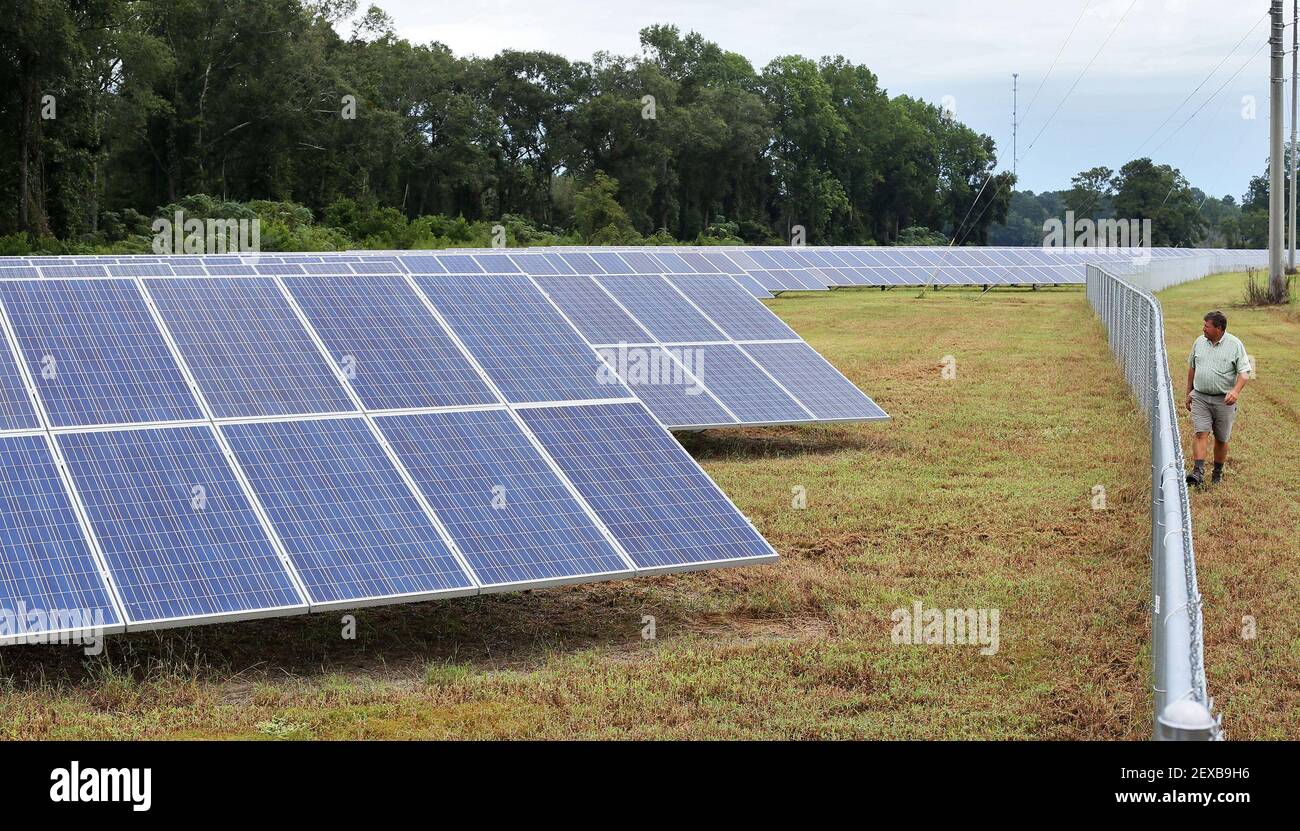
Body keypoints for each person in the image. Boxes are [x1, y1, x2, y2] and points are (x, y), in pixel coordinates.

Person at [1185, 310, 1250, 487]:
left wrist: (1235, 392)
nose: (1203, 329)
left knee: (1222, 439)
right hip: (1200, 397)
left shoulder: (1235, 344)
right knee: (1200, 432)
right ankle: (1198, 472)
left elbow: (1244, 373)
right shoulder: (1199, 342)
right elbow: (1192, 368)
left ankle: (1217, 472)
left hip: (1224, 401)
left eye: (1207, 326)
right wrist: (1188, 393)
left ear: (1219, 328)